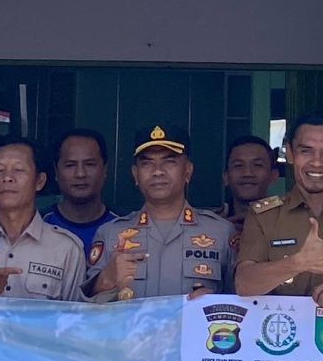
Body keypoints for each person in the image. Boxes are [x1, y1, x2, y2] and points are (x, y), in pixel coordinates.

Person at [235, 117, 323, 308]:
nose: (317, 163)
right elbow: (244, 284)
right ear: (290, 154)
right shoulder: (264, 216)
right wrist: (297, 263)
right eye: (306, 151)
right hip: (277, 326)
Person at [86, 127, 235, 301]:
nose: (157, 171)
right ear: (135, 174)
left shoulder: (221, 233)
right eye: (147, 163)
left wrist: (213, 303)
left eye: (169, 162)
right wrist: (106, 280)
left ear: (188, 170)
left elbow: (245, 303)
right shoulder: (110, 234)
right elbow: (85, 309)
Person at [0, 140, 87, 299]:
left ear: (39, 181)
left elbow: (75, 314)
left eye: (19, 170)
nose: (7, 178)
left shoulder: (66, 248)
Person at [42, 129, 121, 264]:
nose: (80, 174)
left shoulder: (124, 228)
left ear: (105, 169)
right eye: (70, 165)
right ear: (56, 172)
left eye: (90, 164)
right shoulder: (39, 224)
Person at [222, 135, 278, 224]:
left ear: (273, 175)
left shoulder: (287, 219)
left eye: (257, 165)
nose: (247, 173)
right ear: (225, 177)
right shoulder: (213, 223)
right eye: (238, 165)